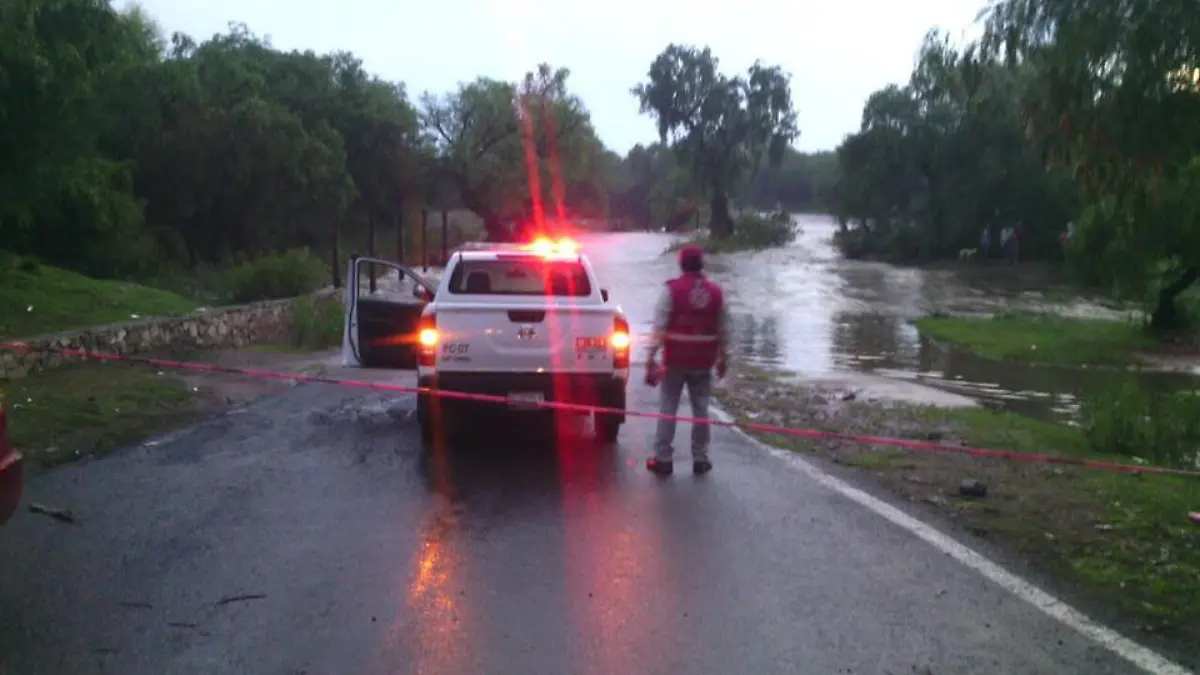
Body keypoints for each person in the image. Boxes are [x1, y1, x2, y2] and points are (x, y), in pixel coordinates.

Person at [644, 245, 732, 476]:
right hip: (704, 361)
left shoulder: (671, 290)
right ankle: (700, 458)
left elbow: (659, 328)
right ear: (702, 264)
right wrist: (724, 358)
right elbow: (725, 329)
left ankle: (663, 459)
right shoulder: (716, 292)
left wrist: (650, 358)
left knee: (668, 408)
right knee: (701, 409)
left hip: (675, 360)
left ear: (681, 264)